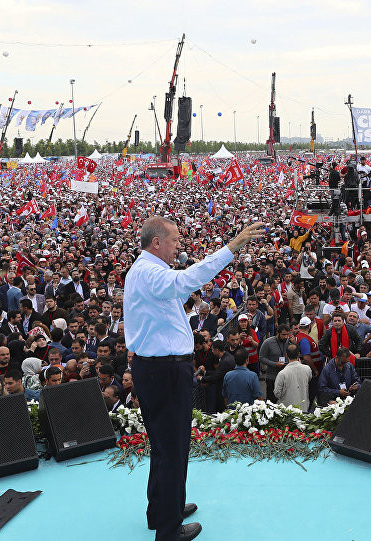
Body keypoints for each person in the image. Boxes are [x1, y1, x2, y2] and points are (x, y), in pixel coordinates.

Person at [123, 216, 263, 541]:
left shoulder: (146, 271)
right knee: (172, 448)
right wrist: (229, 250)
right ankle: (168, 529)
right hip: (165, 370)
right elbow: (187, 281)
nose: (178, 246)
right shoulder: (149, 272)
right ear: (156, 242)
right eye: (173, 240)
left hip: (160, 368)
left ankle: (162, 509)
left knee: (163, 446)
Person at [273, 344, 312, 412]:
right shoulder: (307, 369)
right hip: (303, 408)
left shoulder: (282, 373)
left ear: (287, 355)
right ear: (299, 354)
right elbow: (309, 379)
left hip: (287, 410)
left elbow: (277, 393)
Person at [259, 324, 292, 400]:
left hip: (285, 376)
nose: (286, 337)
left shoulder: (288, 342)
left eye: (287, 334)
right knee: (271, 400)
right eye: (283, 335)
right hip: (272, 377)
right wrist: (275, 364)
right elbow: (261, 358)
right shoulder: (268, 342)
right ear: (278, 333)